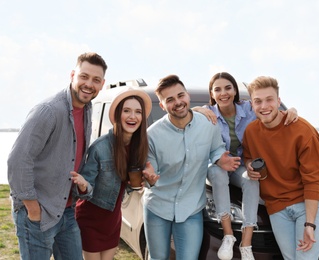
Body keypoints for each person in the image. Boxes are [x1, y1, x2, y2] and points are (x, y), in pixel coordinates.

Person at [7, 52, 107, 259]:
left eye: (96, 80)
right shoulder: (49, 111)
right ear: (72, 75)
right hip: (38, 211)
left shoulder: (87, 109)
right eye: (84, 76)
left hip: (66, 209)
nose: (89, 84)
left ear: (102, 84)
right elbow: (18, 161)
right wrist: (33, 209)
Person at [193, 72, 298, 260]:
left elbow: (269, 109)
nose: (223, 93)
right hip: (217, 165)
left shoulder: (249, 109)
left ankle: (246, 242)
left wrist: (290, 110)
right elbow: (184, 115)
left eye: (228, 88)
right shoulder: (208, 114)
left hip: (241, 164)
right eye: (217, 89)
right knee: (217, 175)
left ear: (235, 90)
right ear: (212, 93)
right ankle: (228, 235)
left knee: (251, 178)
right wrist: (199, 110)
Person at [142, 74, 241, 260]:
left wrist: (220, 159)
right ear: (162, 105)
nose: (178, 102)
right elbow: (150, 170)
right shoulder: (152, 135)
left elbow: (216, 149)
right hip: (158, 207)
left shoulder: (208, 124)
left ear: (187, 95)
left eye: (181, 96)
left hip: (191, 208)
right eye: (170, 100)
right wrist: (149, 178)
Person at [242, 76, 319, 259]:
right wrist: (249, 166)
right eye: (258, 101)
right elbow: (248, 156)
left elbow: (313, 181)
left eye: (269, 100)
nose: (264, 106)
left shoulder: (303, 131)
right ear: (251, 104)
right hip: (277, 207)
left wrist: (310, 224)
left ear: (279, 101)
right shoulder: (251, 132)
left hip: (306, 204)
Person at [74, 87, 153, 260]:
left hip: (113, 220)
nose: (133, 116)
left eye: (138, 112)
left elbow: (129, 187)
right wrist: (83, 184)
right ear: (118, 115)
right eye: (127, 111)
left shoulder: (138, 147)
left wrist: (144, 182)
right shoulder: (100, 147)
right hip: (90, 219)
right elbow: (86, 189)